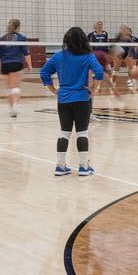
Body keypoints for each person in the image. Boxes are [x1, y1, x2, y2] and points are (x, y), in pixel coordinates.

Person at [41, 26, 106, 176]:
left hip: (63, 99)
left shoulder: (58, 56)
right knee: (82, 132)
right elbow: (99, 73)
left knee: (64, 132)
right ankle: (83, 166)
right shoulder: (88, 56)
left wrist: (53, 89)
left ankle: (60, 165)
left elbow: (44, 72)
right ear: (83, 40)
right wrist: (93, 89)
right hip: (82, 99)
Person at [0, 18, 28, 117]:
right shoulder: (21, 38)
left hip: (5, 64)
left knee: (9, 88)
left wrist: (0, 67)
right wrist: (30, 65)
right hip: (16, 63)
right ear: (18, 27)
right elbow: (26, 53)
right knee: (15, 87)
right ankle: (15, 106)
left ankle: (11, 109)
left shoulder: (3, 38)